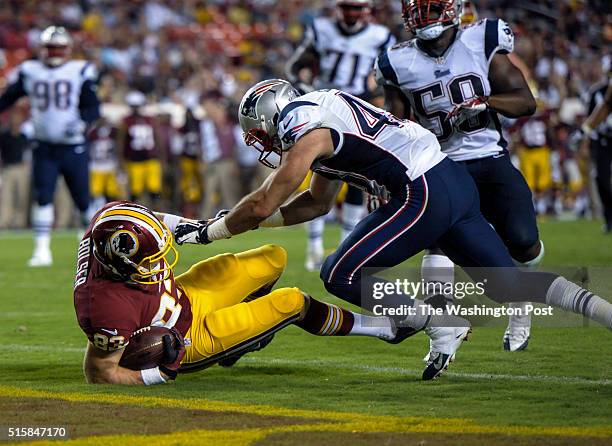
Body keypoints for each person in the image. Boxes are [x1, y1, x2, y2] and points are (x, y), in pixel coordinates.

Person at [173, 80, 612, 380]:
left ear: (273, 114)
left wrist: (212, 232)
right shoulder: (323, 113)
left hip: (421, 188)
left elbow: (267, 198)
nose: (262, 141)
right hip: (449, 181)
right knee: (509, 284)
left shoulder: (300, 122)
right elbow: (315, 203)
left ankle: (438, 320)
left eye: (259, 131)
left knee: (339, 273)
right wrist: (248, 216)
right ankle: (605, 314)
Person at [74, 201, 407, 385]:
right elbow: (99, 372)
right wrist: (158, 373)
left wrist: (196, 227)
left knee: (272, 257)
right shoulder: (104, 307)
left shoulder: (112, 220)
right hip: (184, 337)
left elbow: (155, 218)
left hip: (184, 297)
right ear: (120, 266)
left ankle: (241, 343)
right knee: (292, 302)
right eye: (150, 261)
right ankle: (385, 328)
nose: (159, 262)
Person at [375, 0, 542, 352]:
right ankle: (443, 329)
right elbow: (397, 124)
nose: (423, 16)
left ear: (453, 8)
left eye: (431, 7)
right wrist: (385, 173)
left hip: (490, 158)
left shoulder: (480, 40)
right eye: (417, 8)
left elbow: (525, 102)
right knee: (437, 240)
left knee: (525, 245)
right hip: (441, 164)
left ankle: (519, 296)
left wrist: (486, 103)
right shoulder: (396, 61)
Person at [285, 0, 396, 271]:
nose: (351, 14)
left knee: (357, 176)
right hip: (323, 106)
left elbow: (390, 74)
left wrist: (377, 99)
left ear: (367, 10)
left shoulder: (381, 36)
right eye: (347, 7)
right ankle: (314, 246)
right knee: (320, 171)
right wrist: (305, 87)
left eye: (357, 8)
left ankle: (346, 243)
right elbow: (295, 66)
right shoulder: (321, 29)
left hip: (358, 109)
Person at [0, 26, 100, 266]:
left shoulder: (80, 70)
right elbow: (8, 98)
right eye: (50, 47)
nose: (54, 52)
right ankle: (42, 250)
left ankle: (95, 246)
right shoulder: (30, 71)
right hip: (44, 146)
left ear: (67, 49)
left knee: (82, 200)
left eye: (59, 47)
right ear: (42, 49)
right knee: (42, 196)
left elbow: (93, 107)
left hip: (72, 146)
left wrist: (82, 122)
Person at [117, 91, 161, 206]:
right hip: (134, 160)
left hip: (151, 159)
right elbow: (120, 143)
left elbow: (157, 139)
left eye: (137, 106)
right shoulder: (126, 121)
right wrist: (121, 161)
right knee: (135, 192)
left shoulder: (150, 120)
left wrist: (162, 158)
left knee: (155, 191)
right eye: (133, 106)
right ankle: (135, 217)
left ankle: (157, 217)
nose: (136, 109)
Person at [581, 75, 612, 233]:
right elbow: (604, 106)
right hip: (604, 139)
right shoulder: (597, 92)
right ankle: (609, 218)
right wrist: (585, 133)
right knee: (602, 180)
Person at [0, 113, 30, 229]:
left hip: (21, 169)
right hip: (8, 168)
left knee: (22, 197)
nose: (15, 124)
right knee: (6, 197)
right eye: (13, 121)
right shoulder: (4, 137)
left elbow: (28, 153)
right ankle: (4, 222)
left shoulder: (24, 137)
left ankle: (19, 223)